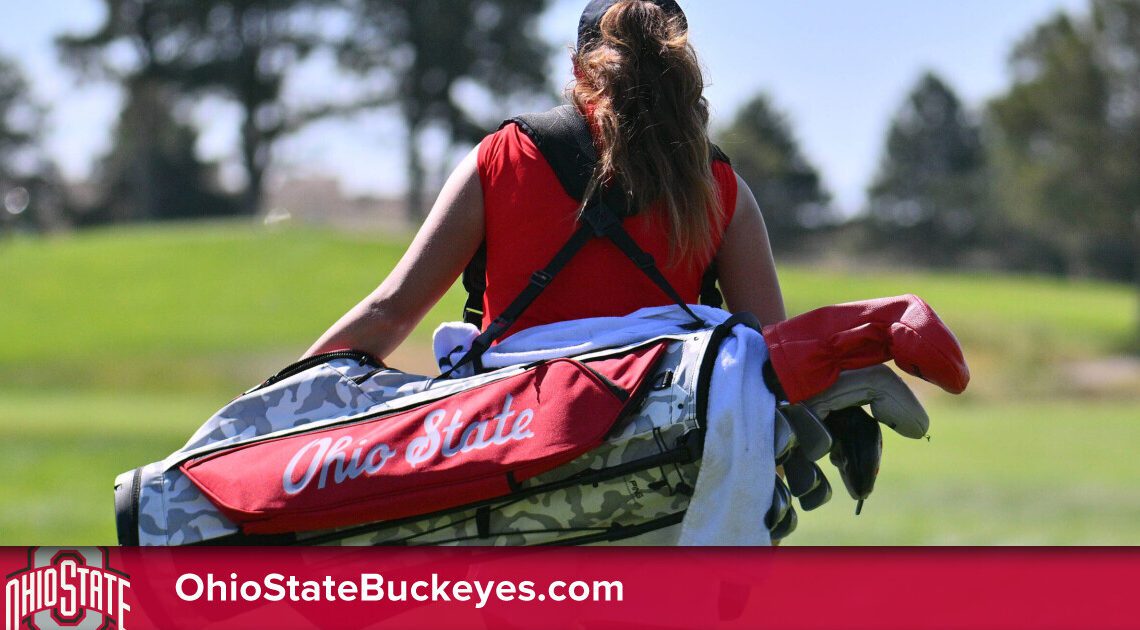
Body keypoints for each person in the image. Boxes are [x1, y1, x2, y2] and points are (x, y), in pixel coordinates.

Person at [304, 0, 785, 363]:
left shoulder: (499, 157)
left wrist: (264, 407)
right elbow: (774, 349)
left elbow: (389, 313)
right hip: (663, 470)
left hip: (515, 451)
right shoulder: (720, 185)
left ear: (578, 68)